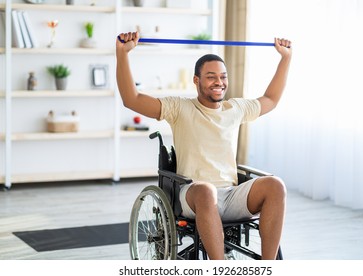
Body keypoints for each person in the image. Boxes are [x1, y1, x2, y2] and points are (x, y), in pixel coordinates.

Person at [116, 31, 292, 260]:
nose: (219, 82)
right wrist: (122, 54)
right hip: (193, 193)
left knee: (275, 185)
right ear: (196, 80)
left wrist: (285, 58)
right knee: (206, 190)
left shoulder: (235, 109)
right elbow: (132, 99)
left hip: (230, 195)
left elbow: (271, 99)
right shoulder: (180, 108)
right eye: (211, 76)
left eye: (223, 76)